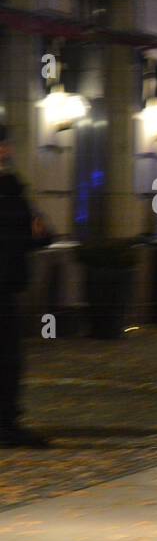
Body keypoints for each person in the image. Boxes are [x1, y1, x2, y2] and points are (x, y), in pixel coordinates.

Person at [0, 130, 52, 448]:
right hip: (4, 284)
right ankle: (6, 424)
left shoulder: (12, 185)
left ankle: (8, 420)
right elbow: (29, 232)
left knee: (9, 357)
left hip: (7, 284)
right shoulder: (9, 188)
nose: (7, 150)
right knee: (7, 358)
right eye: (3, 144)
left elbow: (40, 232)